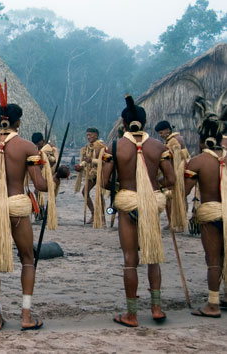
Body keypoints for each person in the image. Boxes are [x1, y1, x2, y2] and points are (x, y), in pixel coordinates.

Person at [0, 80, 51, 331]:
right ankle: (26, 316)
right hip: (17, 209)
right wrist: (53, 176)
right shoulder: (28, 147)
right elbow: (39, 186)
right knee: (28, 259)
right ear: (18, 122)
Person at [101, 95, 175, 327]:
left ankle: (131, 315)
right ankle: (156, 309)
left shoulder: (114, 147)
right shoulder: (158, 146)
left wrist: (123, 185)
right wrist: (153, 185)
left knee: (130, 259)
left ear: (123, 124)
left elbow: (104, 182)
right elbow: (171, 179)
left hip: (128, 204)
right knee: (153, 257)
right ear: (145, 122)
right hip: (151, 203)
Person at [184, 116, 225, 318]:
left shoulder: (198, 162)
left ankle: (213, 304)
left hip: (211, 214)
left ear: (201, 140)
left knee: (214, 260)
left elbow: (184, 191)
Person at [154, 120, 190, 232]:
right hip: (177, 172)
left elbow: (176, 159)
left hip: (177, 172)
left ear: (168, 130)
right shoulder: (174, 139)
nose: (160, 135)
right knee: (178, 197)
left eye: (161, 133)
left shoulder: (174, 141)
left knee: (173, 197)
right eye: (158, 133)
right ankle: (177, 222)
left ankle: (176, 223)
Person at [74, 127, 106, 225]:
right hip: (91, 174)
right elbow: (86, 160)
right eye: (87, 135)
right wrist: (80, 166)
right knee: (85, 192)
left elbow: (104, 161)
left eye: (90, 135)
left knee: (99, 194)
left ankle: (102, 217)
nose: (88, 137)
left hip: (101, 173)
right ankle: (94, 214)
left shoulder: (101, 147)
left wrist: (92, 161)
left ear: (96, 135)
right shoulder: (87, 147)